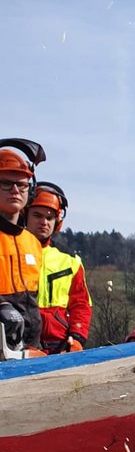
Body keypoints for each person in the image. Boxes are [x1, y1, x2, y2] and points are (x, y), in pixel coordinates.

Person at [25, 182, 93, 354]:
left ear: (57, 222)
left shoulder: (70, 261)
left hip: (59, 344)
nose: (44, 222)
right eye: (37, 216)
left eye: (49, 218)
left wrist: (77, 337)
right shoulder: (8, 252)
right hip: (19, 342)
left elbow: (81, 304)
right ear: (25, 215)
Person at [0, 140, 46, 354]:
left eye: (22, 185)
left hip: (29, 347)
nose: (15, 190)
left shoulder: (32, 243)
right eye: (6, 183)